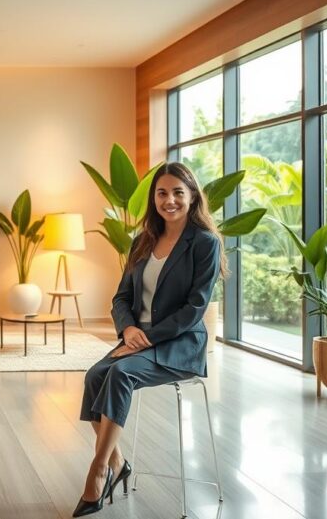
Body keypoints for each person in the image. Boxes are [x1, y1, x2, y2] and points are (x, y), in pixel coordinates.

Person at [72, 161, 226, 517]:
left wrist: (147, 338)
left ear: (191, 197)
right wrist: (128, 330)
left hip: (180, 342)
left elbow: (195, 308)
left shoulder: (204, 243)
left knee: (120, 374)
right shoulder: (143, 241)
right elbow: (121, 298)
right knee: (95, 376)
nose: (168, 200)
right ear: (154, 198)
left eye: (177, 192)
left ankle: (97, 472)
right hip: (137, 337)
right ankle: (119, 463)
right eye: (161, 192)